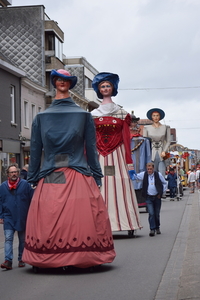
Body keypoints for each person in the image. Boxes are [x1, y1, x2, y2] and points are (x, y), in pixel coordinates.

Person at [22, 69, 116, 269]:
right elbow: (89, 148)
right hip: (72, 173)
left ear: (68, 84)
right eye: (58, 79)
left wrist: (32, 177)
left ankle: (51, 255)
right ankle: (80, 254)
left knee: (51, 213)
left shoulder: (47, 117)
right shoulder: (75, 116)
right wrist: (96, 175)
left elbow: (90, 148)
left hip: (54, 174)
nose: (61, 82)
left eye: (65, 80)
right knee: (79, 216)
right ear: (55, 82)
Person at [91, 72, 142, 235]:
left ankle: (126, 222)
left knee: (119, 184)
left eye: (108, 86)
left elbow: (126, 139)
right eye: (102, 86)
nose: (105, 88)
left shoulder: (122, 114)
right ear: (99, 90)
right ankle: (99, 224)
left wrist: (129, 162)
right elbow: (90, 138)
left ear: (113, 88)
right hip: (99, 154)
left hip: (117, 153)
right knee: (100, 187)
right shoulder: (92, 115)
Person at [0, 164, 34, 270]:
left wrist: (32, 214)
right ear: (8, 174)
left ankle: (21, 259)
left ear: (18, 173)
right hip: (8, 216)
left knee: (22, 239)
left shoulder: (25, 184)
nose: (14, 174)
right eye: (12, 172)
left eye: (15, 172)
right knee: (8, 238)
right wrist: (1, 215)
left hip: (22, 216)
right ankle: (8, 261)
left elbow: (32, 199)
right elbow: (0, 202)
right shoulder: (3, 187)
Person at [129, 162, 167, 236]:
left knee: (156, 214)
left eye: (150, 169)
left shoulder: (158, 175)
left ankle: (157, 227)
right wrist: (131, 173)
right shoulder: (144, 174)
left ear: (153, 168)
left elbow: (164, 183)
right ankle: (152, 229)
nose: (149, 170)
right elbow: (136, 177)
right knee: (151, 213)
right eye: (148, 169)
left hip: (157, 197)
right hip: (149, 197)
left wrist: (162, 192)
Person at [130, 112, 151, 209]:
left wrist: (149, 165)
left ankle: (141, 201)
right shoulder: (124, 139)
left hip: (140, 165)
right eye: (131, 122)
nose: (132, 124)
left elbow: (148, 156)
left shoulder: (144, 140)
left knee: (140, 179)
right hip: (129, 164)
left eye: (134, 122)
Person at [143, 108, 171, 178]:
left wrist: (164, 151)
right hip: (151, 151)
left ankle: (162, 187)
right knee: (152, 172)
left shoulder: (166, 127)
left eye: (157, 115)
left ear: (160, 117)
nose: (155, 117)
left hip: (162, 151)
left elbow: (168, 141)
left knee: (162, 173)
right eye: (154, 115)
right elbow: (145, 142)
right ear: (151, 117)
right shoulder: (146, 128)